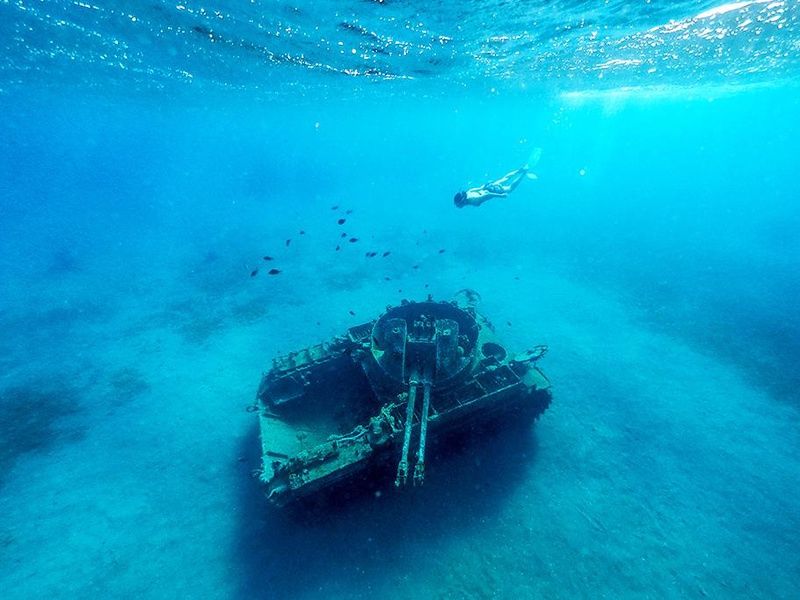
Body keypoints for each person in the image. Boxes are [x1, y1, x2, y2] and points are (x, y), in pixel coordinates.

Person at [454, 147, 541, 208]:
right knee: (505, 178)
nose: (458, 206)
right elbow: (480, 188)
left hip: (491, 190)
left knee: (510, 188)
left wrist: (500, 195)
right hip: (488, 186)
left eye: (459, 205)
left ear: (463, 201)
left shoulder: (473, 201)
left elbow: (487, 194)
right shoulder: (469, 192)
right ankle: (520, 170)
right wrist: (485, 186)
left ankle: (524, 173)